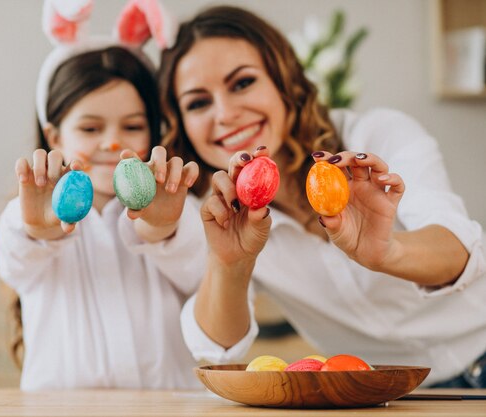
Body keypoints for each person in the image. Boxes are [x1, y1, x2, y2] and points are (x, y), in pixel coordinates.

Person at [158, 5, 486, 388]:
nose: (226, 113)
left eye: (242, 83)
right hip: (385, 396)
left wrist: (387, 252)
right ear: (182, 125)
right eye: (198, 103)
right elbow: (216, 347)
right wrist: (230, 263)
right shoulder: (218, 213)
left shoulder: (377, 136)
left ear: (284, 79)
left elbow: (458, 246)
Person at [0, 0, 204, 391]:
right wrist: (40, 230)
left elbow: (199, 270)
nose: (112, 142)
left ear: (154, 134)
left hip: (167, 409)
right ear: (55, 137)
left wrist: (163, 229)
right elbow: (13, 260)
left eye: (132, 126)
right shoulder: (27, 213)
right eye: (90, 129)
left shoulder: (178, 206)